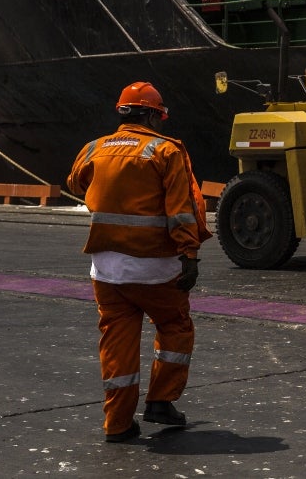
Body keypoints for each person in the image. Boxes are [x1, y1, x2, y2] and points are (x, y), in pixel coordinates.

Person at [67, 81, 206, 443]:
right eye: (159, 115)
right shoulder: (166, 151)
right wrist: (189, 254)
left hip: (107, 269)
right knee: (175, 327)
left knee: (116, 341)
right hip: (155, 267)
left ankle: (117, 424)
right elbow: (181, 210)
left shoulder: (94, 147)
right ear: (151, 115)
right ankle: (160, 402)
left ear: (123, 113)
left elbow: (75, 183)